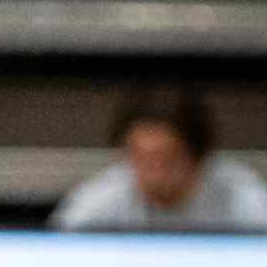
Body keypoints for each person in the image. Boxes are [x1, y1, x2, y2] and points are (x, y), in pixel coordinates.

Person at [51, 87, 267, 232]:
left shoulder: (245, 200)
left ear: (197, 156)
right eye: (140, 158)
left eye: (166, 159)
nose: (152, 174)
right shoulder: (99, 201)